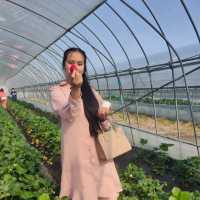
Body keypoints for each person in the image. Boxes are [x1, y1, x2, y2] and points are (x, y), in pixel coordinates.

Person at [50, 48, 122, 200]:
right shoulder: (57, 91)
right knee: (84, 191)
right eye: (71, 62)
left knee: (104, 190)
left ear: (84, 67)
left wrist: (103, 117)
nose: (75, 66)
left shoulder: (92, 91)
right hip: (77, 152)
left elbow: (105, 122)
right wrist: (76, 88)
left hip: (98, 148)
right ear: (64, 65)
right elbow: (70, 114)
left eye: (80, 63)